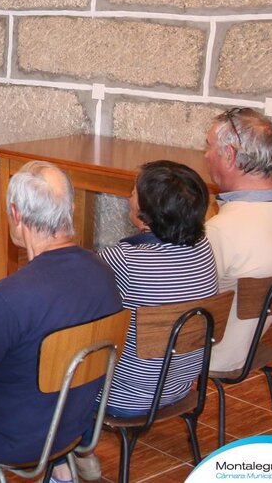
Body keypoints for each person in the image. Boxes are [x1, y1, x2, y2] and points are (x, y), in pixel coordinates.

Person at [0, 161, 122, 483]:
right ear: (72, 209)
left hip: (6, 437)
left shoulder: (9, 297)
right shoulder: (106, 276)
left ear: (16, 215)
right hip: (69, 427)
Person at [73, 160, 218, 481]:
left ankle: (77, 446)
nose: (129, 197)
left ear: (145, 213)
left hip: (127, 396)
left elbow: (69, 283)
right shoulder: (205, 250)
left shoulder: (125, 259)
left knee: (59, 352)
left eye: (133, 192)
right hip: (179, 386)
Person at [203, 107, 272, 373]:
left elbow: (180, 300)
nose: (206, 155)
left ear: (229, 155)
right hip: (253, 344)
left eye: (208, 147)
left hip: (214, 352)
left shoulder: (223, 230)